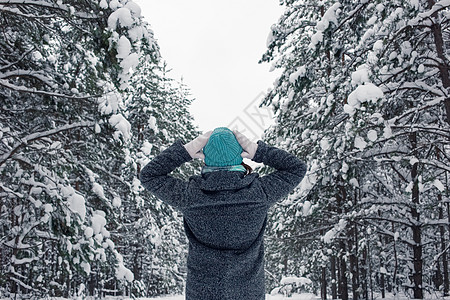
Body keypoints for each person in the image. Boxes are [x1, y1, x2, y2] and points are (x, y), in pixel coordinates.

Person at [139, 127, 307, 300]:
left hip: (201, 294)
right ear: (240, 156)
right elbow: (296, 168)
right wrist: (258, 150)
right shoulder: (259, 193)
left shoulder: (190, 196)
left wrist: (187, 151)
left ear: (206, 159)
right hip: (249, 294)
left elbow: (149, 175)